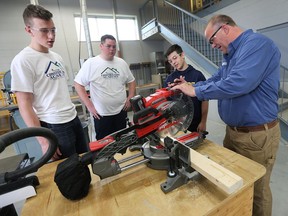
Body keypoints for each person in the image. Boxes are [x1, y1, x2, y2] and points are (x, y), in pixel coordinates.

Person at [172, 14, 281, 216]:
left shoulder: (257, 45)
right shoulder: (231, 54)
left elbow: (239, 83)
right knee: (238, 184)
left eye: (212, 40)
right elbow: (216, 79)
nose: (212, 46)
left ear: (225, 29)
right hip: (234, 133)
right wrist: (190, 85)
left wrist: (195, 92)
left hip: (256, 136)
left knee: (258, 190)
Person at [10, 4, 88, 160]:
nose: (51, 36)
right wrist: (43, 141)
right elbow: (24, 104)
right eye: (44, 31)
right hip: (53, 125)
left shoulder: (56, 57)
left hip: (72, 118)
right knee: (69, 171)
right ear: (29, 30)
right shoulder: (23, 61)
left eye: (53, 30)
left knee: (84, 160)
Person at [74, 34, 136, 140]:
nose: (112, 49)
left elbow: (132, 81)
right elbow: (78, 84)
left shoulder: (121, 63)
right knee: (104, 144)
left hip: (120, 112)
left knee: (121, 140)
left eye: (114, 46)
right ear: (101, 46)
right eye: (108, 46)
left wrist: (130, 98)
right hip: (101, 114)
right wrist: (90, 106)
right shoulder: (91, 63)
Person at [164, 44, 208, 132]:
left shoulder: (197, 75)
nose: (173, 62)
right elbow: (166, 103)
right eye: (170, 61)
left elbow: (205, 101)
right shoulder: (169, 80)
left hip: (195, 124)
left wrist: (203, 122)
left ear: (182, 55)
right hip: (176, 126)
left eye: (175, 58)